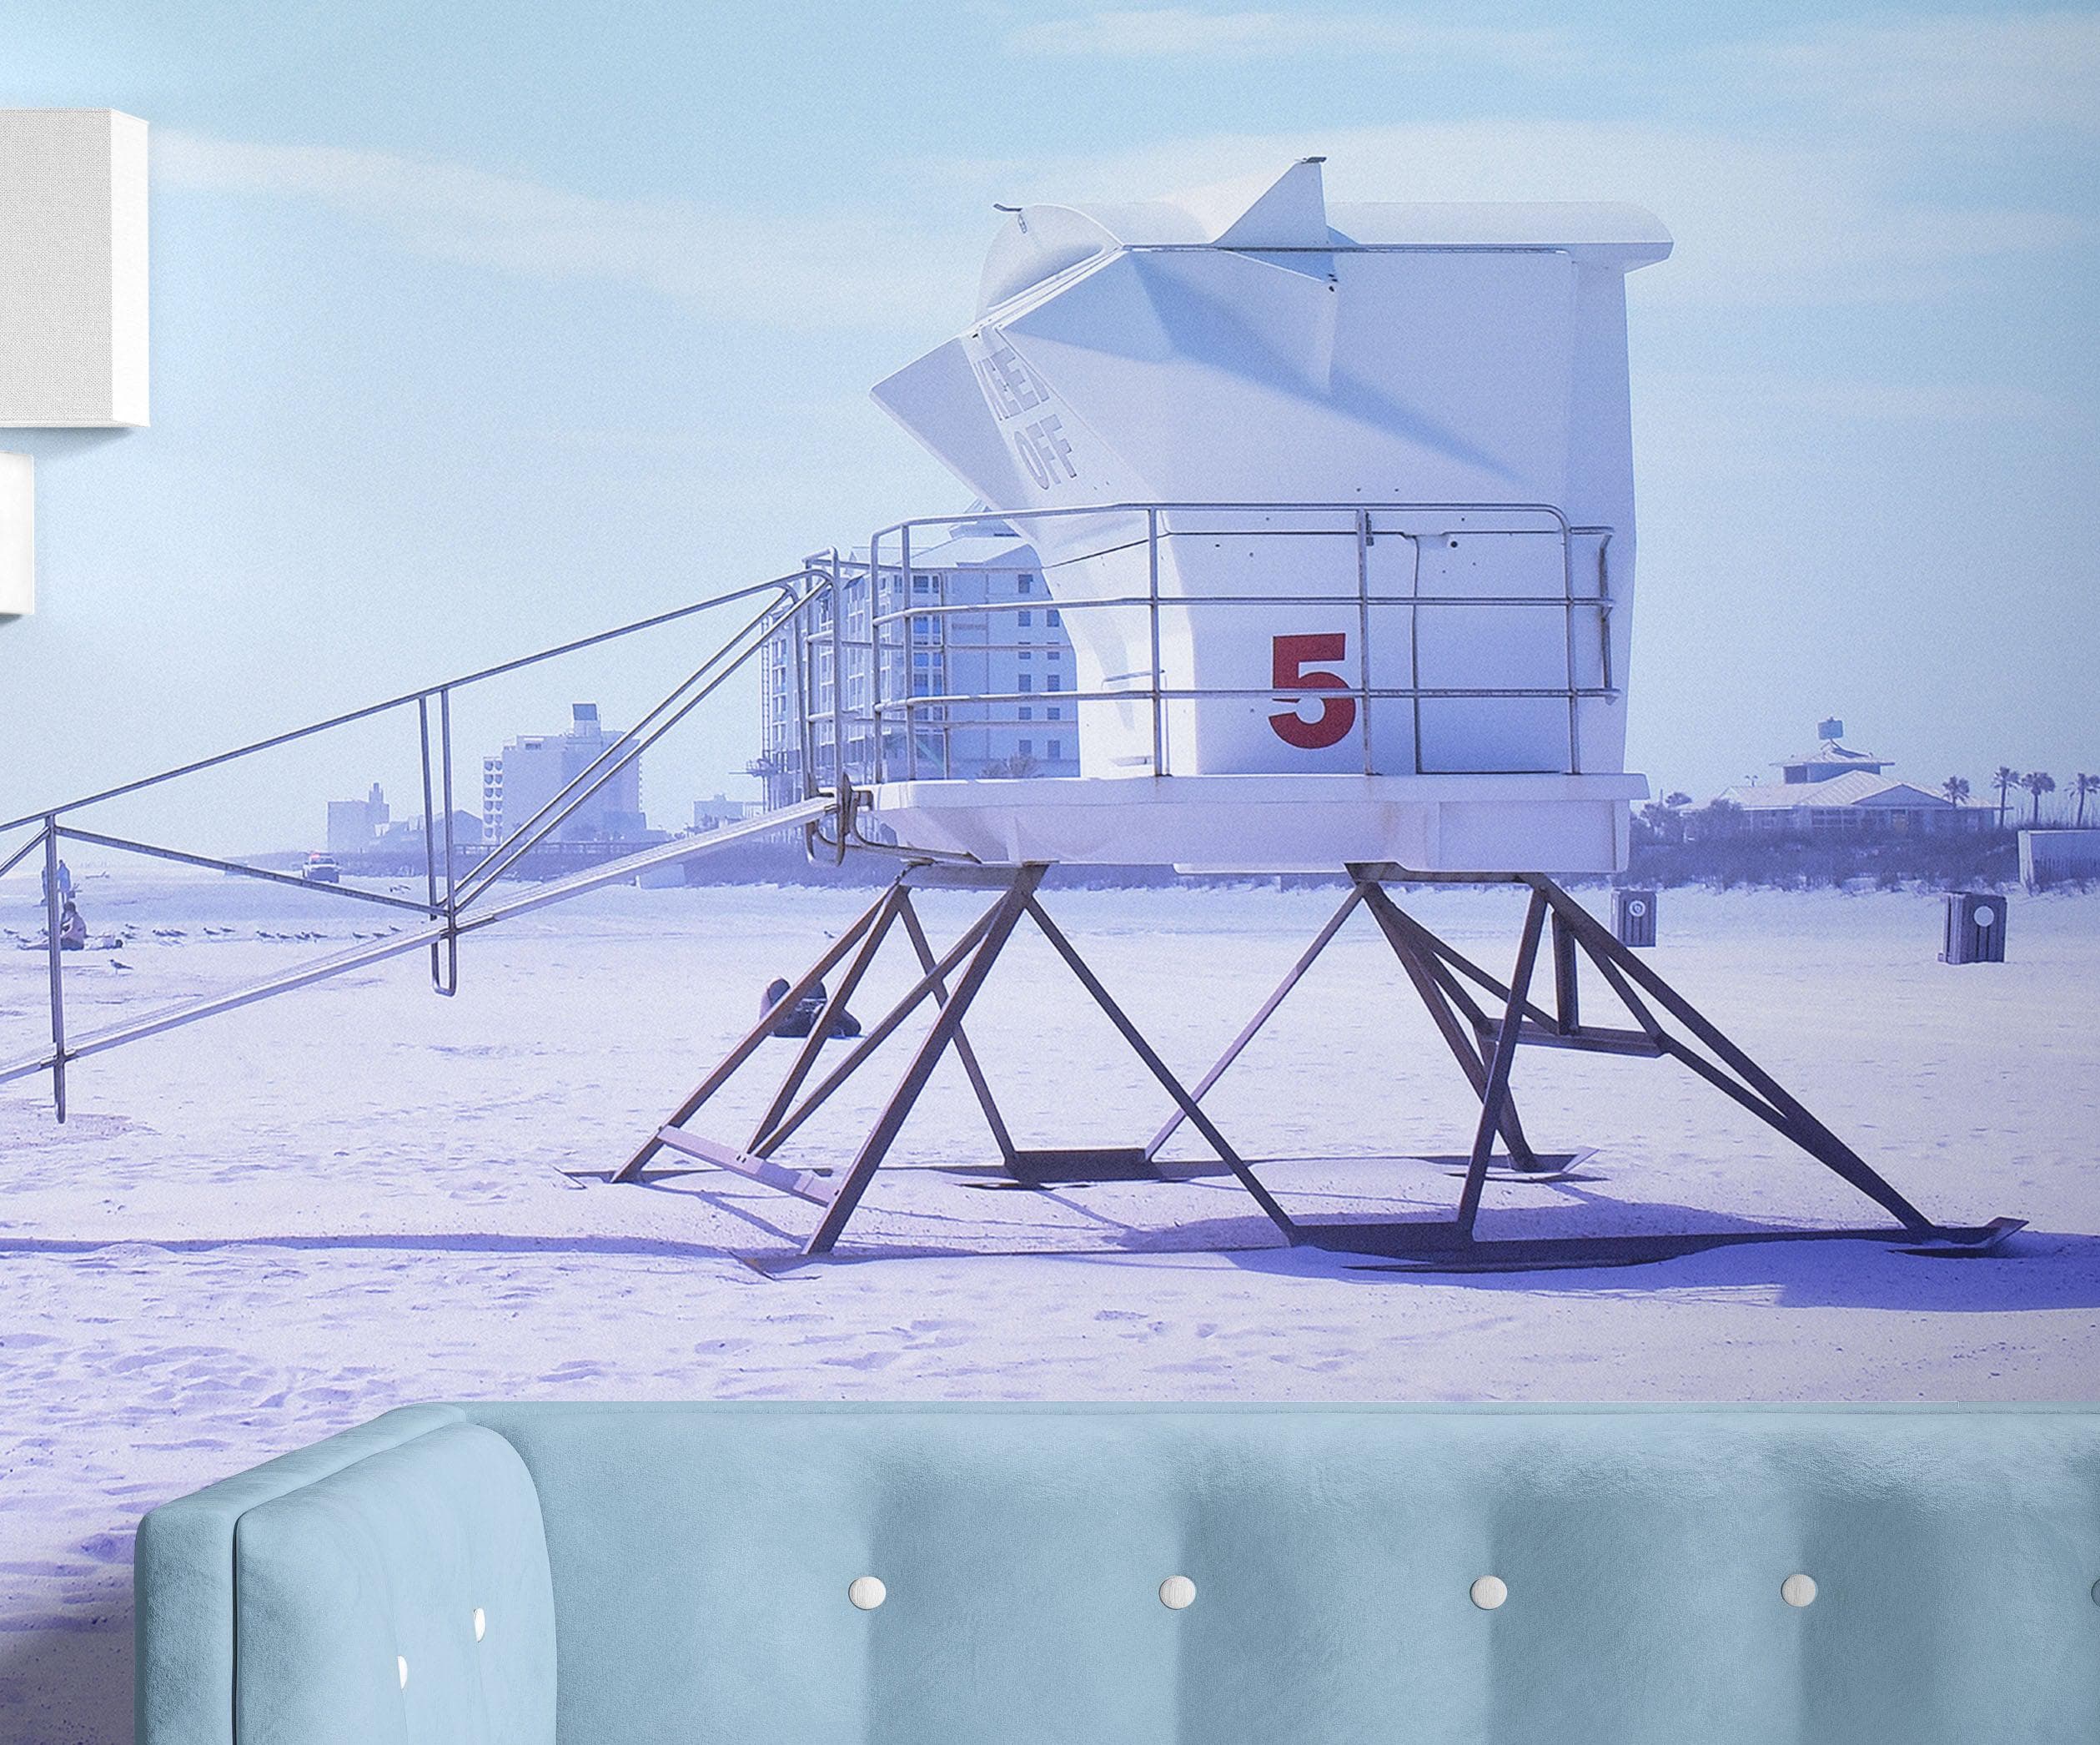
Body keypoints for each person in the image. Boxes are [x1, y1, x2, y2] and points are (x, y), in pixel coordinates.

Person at [759, 976, 861, 1040]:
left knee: (813, 985)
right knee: (779, 984)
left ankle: (818, 1010)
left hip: (786, 1024)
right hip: (788, 1024)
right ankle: (819, 1010)